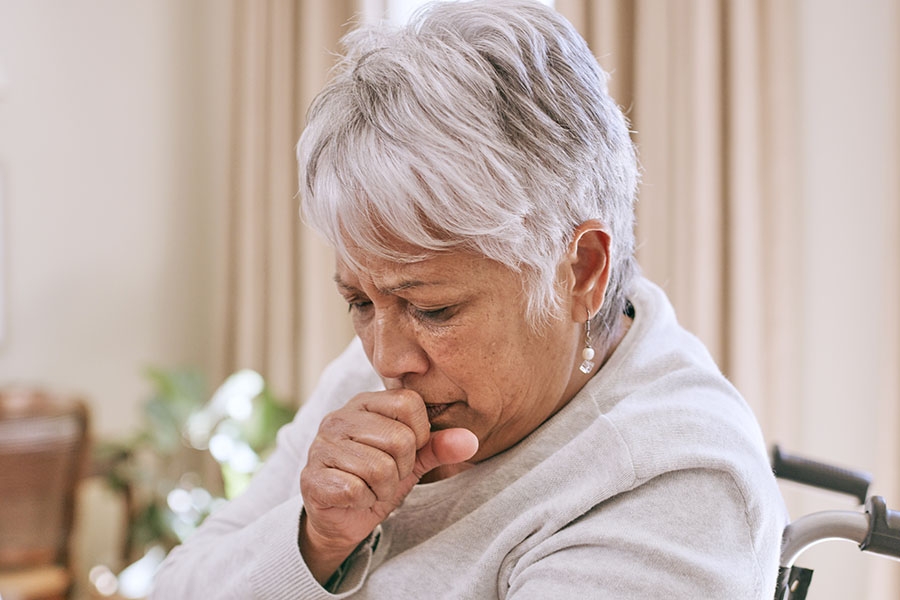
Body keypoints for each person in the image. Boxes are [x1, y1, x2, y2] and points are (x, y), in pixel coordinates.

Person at [151, 0, 786, 597]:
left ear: (583, 271)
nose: (386, 358)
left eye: (433, 309)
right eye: (360, 302)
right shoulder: (397, 371)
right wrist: (318, 540)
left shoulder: (678, 486)